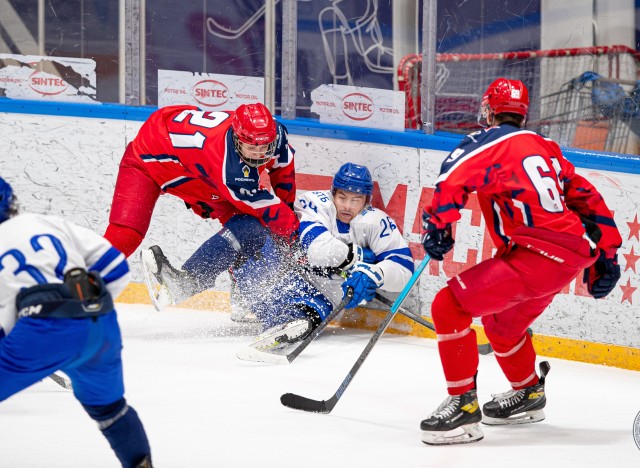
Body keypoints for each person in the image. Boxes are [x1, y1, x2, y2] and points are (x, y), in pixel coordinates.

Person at [419, 78, 622, 445]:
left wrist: (438, 226)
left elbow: (452, 178)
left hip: (535, 256)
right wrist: (608, 253)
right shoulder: (545, 147)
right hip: (567, 256)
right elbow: (586, 198)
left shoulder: (487, 141)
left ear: (489, 110)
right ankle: (527, 393)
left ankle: (463, 408)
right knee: (501, 326)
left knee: (447, 306)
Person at [0, 177, 152, 467]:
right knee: (111, 412)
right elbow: (117, 269)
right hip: (101, 323)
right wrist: (83, 312)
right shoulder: (44, 222)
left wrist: (48, 342)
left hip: (42, 331)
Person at [103, 102, 297, 310]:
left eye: (264, 146)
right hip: (149, 159)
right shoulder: (228, 167)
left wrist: (289, 225)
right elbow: (271, 212)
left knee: (249, 229)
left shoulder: (275, 134)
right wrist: (297, 243)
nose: (259, 153)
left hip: (198, 169)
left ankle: (244, 296)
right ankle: (76, 284)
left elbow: (283, 174)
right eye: (251, 148)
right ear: (237, 138)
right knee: (126, 235)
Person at [295, 162, 414, 315]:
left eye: (355, 200)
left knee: (307, 320)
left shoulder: (375, 221)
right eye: (342, 198)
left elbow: (404, 270)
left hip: (327, 296)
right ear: (333, 194)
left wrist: (375, 274)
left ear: (366, 201)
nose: (347, 206)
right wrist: (358, 256)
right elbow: (318, 251)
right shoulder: (316, 204)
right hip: (297, 277)